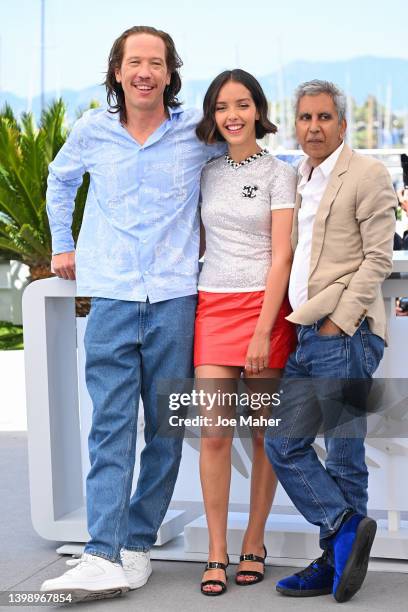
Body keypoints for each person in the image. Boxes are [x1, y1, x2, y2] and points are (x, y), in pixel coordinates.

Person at [41, 26, 224, 602]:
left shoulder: (198, 132)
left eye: (156, 62)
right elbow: (59, 179)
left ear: (170, 73)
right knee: (111, 428)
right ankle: (102, 553)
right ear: (117, 71)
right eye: (133, 61)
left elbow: (250, 158)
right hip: (113, 299)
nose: (145, 71)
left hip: (175, 299)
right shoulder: (92, 130)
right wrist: (61, 244)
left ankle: (136, 546)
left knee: (167, 431)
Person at [264, 79, 397, 603]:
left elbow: (378, 259)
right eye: (305, 118)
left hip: (344, 331)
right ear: (295, 124)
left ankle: (333, 563)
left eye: (323, 117)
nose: (313, 127)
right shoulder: (299, 176)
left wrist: (340, 321)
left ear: (342, 124)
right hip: (305, 331)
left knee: (343, 455)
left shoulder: (367, 173)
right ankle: (343, 532)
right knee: (282, 441)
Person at [194, 69, 297, 596]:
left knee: (262, 435)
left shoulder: (282, 173)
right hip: (212, 307)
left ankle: (254, 541)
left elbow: (282, 256)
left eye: (241, 104)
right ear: (213, 116)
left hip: (266, 313)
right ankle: (216, 551)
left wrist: (262, 331)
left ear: (258, 108)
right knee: (213, 434)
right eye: (220, 107)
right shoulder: (207, 173)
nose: (231, 115)